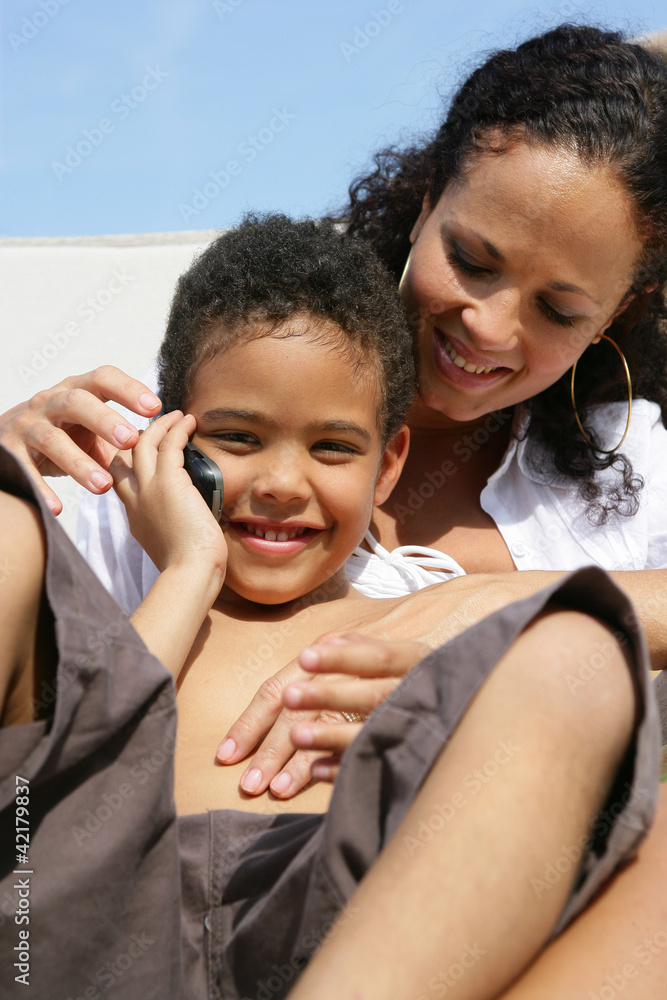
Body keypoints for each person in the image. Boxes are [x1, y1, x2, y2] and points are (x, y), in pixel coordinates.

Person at [1, 21, 667, 995]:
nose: (488, 325)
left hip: (374, 909)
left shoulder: (625, 466)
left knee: (578, 663)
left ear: (616, 311)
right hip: (105, 878)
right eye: (472, 259)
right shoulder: (202, 407)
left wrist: (497, 611)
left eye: (557, 310)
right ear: (425, 198)